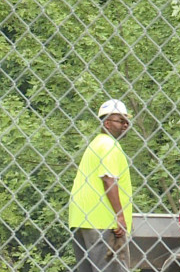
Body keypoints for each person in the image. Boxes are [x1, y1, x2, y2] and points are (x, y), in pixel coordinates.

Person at [68, 99, 133, 272]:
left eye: (127, 121)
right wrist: (119, 216)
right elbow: (108, 179)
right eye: (121, 120)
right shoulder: (109, 145)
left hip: (82, 220)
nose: (125, 125)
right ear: (107, 123)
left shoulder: (95, 144)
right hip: (103, 221)